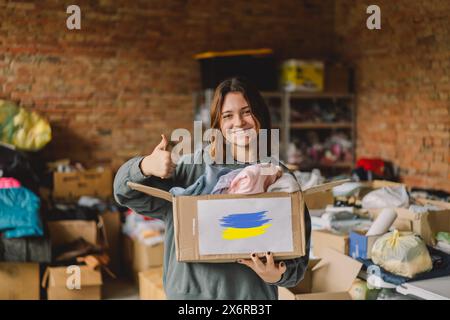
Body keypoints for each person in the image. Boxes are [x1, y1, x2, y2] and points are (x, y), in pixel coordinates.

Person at [114, 77, 311, 300]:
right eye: (228, 115)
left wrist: (277, 274)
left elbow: (297, 266)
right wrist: (145, 165)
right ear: (217, 124)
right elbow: (123, 193)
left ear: (260, 117)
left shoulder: (279, 178)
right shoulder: (190, 170)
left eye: (247, 112)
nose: (239, 122)